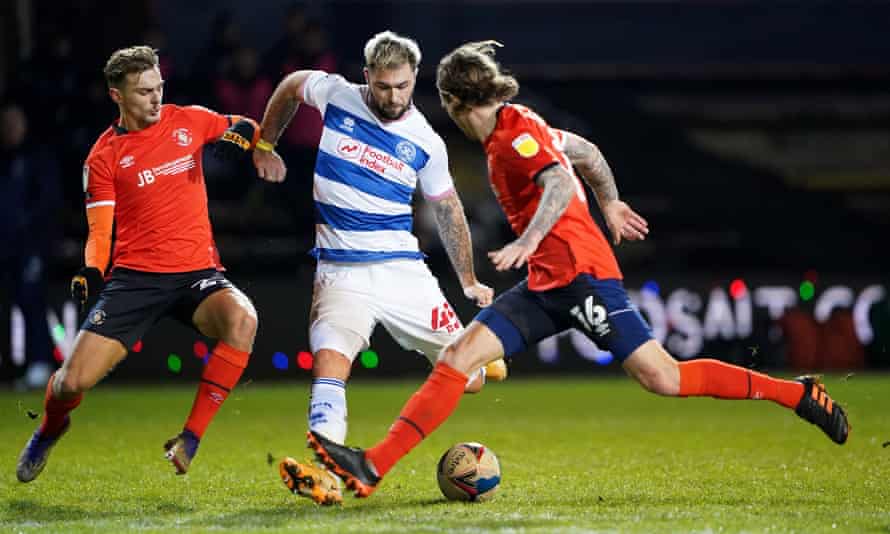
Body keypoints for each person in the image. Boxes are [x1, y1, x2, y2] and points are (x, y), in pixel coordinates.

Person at [304, 41, 852, 499]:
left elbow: (561, 181)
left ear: (449, 100)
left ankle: (797, 394)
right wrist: (610, 201)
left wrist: (531, 237)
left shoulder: (513, 136)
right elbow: (584, 152)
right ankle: (371, 465)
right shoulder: (520, 127)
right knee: (458, 357)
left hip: (581, 277)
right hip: (546, 284)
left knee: (663, 377)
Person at [252, 31, 507, 505]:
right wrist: (266, 142)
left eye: (404, 86)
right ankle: (325, 476)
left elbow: (449, 210)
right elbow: (290, 87)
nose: (393, 96)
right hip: (340, 273)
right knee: (330, 360)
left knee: (469, 379)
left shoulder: (425, 141)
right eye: (384, 86)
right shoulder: (337, 95)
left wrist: (468, 279)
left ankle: (484, 359)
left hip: (402, 272)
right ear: (368, 76)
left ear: (415, 79)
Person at [16, 46, 267, 483]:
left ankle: (190, 438)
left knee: (243, 321)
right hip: (136, 281)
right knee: (71, 383)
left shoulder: (187, 119)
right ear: (117, 95)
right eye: (143, 92)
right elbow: (100, 232)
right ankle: (50, 427)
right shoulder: (104, 157)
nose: (155, 99)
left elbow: (244, 124)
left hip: (196, 274)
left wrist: (243, 134)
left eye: (159, 88)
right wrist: (92, 270)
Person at [0, 102, 62, 389]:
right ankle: (13, 365)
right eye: (6, 123)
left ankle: (40, 362)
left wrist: (39, 245)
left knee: (32, 302)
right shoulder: (5, 161)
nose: (11, 128)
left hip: (30, 247)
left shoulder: (36, 160)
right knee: (10, 305)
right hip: (5, 247)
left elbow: (47, 206)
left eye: (15, 121)